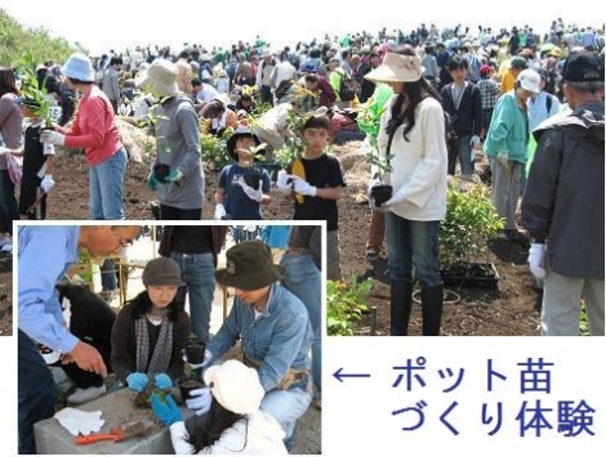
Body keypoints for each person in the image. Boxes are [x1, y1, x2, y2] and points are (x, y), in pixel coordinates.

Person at [18, 225, 140, 454]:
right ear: (100, 225)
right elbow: (23, 305)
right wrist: (71, 344)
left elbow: (47, 293)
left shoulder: (62, 241)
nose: (117, 250)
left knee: (37, 382)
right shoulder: (52, 236)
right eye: (121, 240)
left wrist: (59, 338)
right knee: (35, 385)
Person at [185, 241, 312, 450]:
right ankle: (282, 432)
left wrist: (231, 399)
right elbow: (226, 333)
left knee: (253, 422)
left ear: (265, 279)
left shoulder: (291, 314)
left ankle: (284, 437)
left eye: (244, 284)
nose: (237, 291)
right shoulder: (243, 300)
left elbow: (272, 372)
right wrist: (204, 357)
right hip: (252, 379)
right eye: (236, 283)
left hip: (288, 387)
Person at [364, 49, 448, 336]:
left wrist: (403, 194)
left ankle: (429, 338)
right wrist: (377, 181)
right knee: (398, 270)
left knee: (426, 271)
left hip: (422, 205)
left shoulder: (430, 109)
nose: (389, 84)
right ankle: (398, 335)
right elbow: (381, 147)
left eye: (393, 78)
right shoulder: (394, 105)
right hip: (394, 204)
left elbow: (434, 161)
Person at [521, 50, 604, 336]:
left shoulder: (557, 133)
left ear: (566, 88)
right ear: (603, 88)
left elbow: (538, 192)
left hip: (565, 248)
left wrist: (537, 241)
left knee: (559, 328)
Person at [40, 53, 128, 220]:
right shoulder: (85, 99)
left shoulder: (94, 100)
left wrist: (61, 140)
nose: (65, 79)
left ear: (74, 77)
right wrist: (56, 129)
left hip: (109, 158)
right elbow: (76, 132)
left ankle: (117, 244)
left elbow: (97, 138)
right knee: (96, 211)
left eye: (67, 76)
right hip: (98, 158)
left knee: (112, 213)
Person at [151, 360, 287, 455]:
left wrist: (175, 424)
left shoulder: (238, 439)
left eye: (212, 393)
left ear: (220, 404)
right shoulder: (255, 416)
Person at [277, 112, 346, 281]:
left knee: (328, 270)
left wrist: (312, 190)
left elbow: (337, 193)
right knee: (297, 262)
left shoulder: (331, 163)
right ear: (302, 135)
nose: (317, 139)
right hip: (301, 221)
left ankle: (334, 304)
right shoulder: (296, 163)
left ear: (328, 137)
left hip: (326, 224)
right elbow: (296, 197)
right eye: (311, 133)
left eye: (322, 134)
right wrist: (286, 190)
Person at [111, 256, 190, 392]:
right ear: (147, 286)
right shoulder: (127, 314)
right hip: (130, 382)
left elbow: (180, 360)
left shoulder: (181, 318)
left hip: (165, 381)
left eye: (171, 288)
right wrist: (128, 376)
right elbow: (117, 358)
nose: (165, 295)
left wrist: (170, 376)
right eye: (158, 288)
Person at [138, 58, 205, 220]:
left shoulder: (184, 111)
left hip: (187, 195)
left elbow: (194, 150)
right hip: (166, 193)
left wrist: (179, 172)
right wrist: (154, 171)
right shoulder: (160, 109)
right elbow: (163, 147)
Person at [483, 69, 541, 239]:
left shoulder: (523, 102)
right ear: (520, 85)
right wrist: (502, 152)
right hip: (502, 153)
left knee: (513, 191)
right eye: (528, 90)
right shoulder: (508, 100)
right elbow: (499, 129)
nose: (530, 94)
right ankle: (496, 227)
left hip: (516, 154)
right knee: (502, 190)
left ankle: (509, 224)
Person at [158, 225, 228, 344]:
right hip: (174, 254)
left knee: (200, 328)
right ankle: (172, 359)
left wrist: (218, 244)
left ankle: (197, 358)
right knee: (170, 322)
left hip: (203, 255)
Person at [279, 225, 322, 408]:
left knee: (292, 326)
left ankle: (288, 382)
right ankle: (322, 391)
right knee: (318, 332)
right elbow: (317, 243)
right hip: (305, 261)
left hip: (289, 257)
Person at [56, 282, 116, 405]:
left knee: (64, 349)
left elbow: (69, 343)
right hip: (103, 343)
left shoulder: (77, 307)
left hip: (113, 355)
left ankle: (92, 386)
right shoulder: (70, 294)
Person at [214, 126, 272, 221]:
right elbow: (220, 192)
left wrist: (259, 197)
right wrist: (219, 207)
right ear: (235, 149)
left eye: (249, 140)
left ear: (256, 147)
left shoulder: (262, 173)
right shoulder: (227, 171)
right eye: (241, 141)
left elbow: (268, 198)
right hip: (230, 218)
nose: (245, 143)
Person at [440, 55, 483, 178]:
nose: (459, 74)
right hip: (449, 136)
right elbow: (442, 113)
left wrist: (476, 134)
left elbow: (478, 113)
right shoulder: (445, 90)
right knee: (447, 170)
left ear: (466, 70)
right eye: (455, 71)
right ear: (450, 72)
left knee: (467, 170)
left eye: (461, 70)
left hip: (466, 135)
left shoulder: (474, 90)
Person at [18, 98, 55, 220]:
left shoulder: (44, 129)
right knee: (23, 211)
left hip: (38, 181)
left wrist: (48, 177)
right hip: (27, 178)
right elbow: (25, 151)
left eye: (23, 106)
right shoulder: (28, 129)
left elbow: (50, 154)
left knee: (36, 216)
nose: (21, 109)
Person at [0, 66, 24, 251]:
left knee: (6, 198)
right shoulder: (11, 98)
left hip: (6, 156)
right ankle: (6, 235)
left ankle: (13, 237)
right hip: (9, 154)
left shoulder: (7, 100)